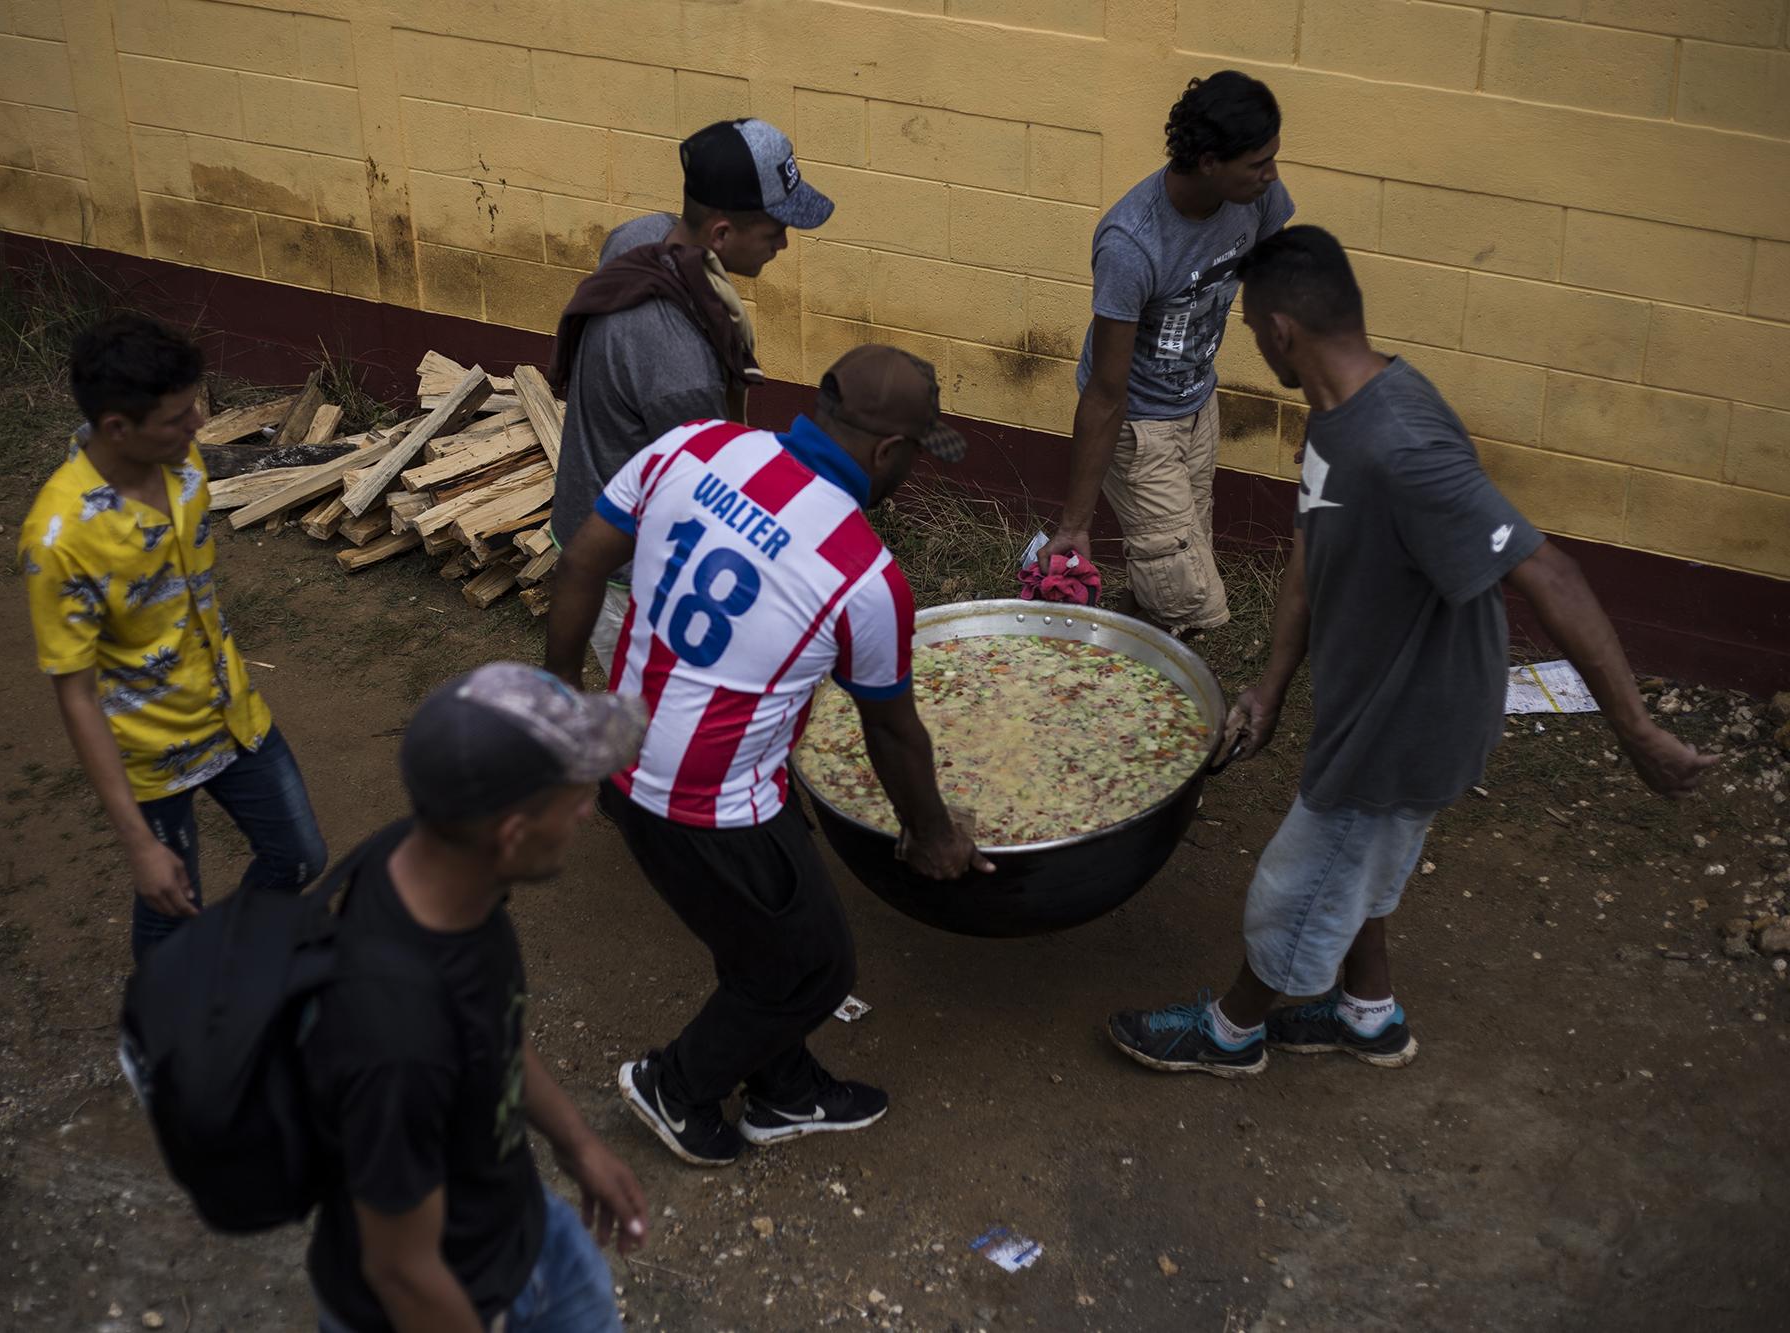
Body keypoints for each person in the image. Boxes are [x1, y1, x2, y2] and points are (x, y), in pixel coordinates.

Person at [1104, 227, 1718, 1077]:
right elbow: (1311, 556)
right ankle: (1367, 1013)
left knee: (1299, 882)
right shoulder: (1336, 414)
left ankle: (1229, 1032)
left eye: (1249, 328)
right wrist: (1273, 688)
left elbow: (1555, 575)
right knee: (1362, 864)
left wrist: (1638, 730)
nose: (1250, 342)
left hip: (1410, 718)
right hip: (1371, 697)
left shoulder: (1401, 446)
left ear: (1281, 331)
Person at [545, 345, 992, 1167]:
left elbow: (579, 562)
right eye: (917, 455)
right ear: (890, 452)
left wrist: (564, 696)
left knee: (759, 931)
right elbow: (892, 730)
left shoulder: (699, 445)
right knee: (815, 966)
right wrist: (933, 835)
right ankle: (675, 1087)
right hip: (708, 804)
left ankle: (785, 1088)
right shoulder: (863, 573)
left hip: (619, 754)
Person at [302, 663, 652, 1333]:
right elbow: (401, 1269)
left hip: (523, 1228)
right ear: (512, 834)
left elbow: (494, 1025)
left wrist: (578, 1145)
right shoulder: (396, 1042)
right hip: (444, 1298)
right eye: (574, 798)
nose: (588, 809)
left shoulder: (428, 866)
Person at [20, 314, 325, 962]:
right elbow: (75, 696)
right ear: (117, 428)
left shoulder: (181, 464)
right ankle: (164, 1035)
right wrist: (139, 844)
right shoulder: (60, 538)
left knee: (300, 857)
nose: (197, 429)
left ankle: (224, 962)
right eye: (179, 416)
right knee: (170, 902)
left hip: (235, 711)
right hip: (149, 755)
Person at [549, 117, 834, 675]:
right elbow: (713, 504)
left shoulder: (643, 236)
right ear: (722, 236)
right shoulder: (683, 373)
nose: (783, 242)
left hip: (585, 500)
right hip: (625, 570)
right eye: (775, 228)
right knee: (654, 720)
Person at [1039, 70, 1293, 636]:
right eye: (1257, 163)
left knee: (1175, 565)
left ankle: (1117, 645)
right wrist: (1075, 525)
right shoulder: (1132, 245)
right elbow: (1106, 393)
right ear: (1208, 162)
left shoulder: (1256, 196)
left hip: (1199, 403)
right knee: (1194, 603)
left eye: (1272, 158)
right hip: (1139, 426)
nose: (1272, 175)